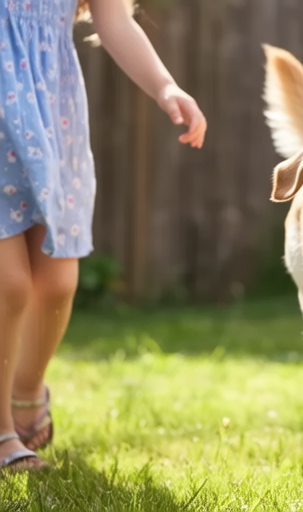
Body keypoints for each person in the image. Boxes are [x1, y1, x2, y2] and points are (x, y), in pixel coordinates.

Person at [0, 0, 207, 470]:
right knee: (8, 285)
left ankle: (27, 393)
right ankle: (2, 436)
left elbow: (114, 18)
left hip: (49, 115)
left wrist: (165, 86)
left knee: (56, 284)